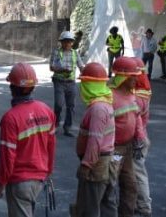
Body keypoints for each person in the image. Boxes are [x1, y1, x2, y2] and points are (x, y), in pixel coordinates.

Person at [0, 63, 57, 217]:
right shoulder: (46, 111)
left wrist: (1, 183)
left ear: (12, 88)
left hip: (20, 182)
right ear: (33, 87)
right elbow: (51, 146)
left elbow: (8, 156)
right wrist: (48, 171)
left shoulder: (11, 118)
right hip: (39, 179)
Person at [73, 63, 118, 217]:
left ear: (89, 84)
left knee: (89, 207)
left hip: (97, 164)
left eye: (84, 82)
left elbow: (95, 141)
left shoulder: (98, 108)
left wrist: (86, 165)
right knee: (107, 204)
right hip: (105, 160)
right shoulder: (105, 102)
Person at [110, 57, 147, 217]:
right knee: (108, 186)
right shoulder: (109, 97)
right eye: (133, 75)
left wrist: (139, 137)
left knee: (130, 186)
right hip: (115, 151)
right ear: (122, 76)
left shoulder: (131, 95)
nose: (136, 78)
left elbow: (137, 116)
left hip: (128, 148)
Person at [50, 31, 84, 137]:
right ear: (61, 42)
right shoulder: (56, 52)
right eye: (64, 41)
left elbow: (81, 66)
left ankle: (67, 128)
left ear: (72, 42)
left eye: (69, 41)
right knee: (59, 105)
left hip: (71, 83)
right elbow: (52, 67)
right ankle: (55, 125)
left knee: (71, 106)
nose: (66, 44)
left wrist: (87, 73)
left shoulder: (75, 53)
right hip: (59, 81)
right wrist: (61, 70)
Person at [132, 59, 153, 217]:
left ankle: (144, 206)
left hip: (136, 139)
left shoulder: (137, 96)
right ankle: (134, 203)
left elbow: (131, 120)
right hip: (140, 137)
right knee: (133, 172)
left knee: (138, 172)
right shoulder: (143, 89)